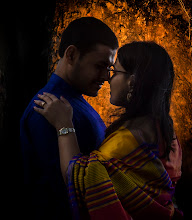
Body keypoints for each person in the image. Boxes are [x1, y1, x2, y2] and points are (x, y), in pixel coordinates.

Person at [34, 41, 183, 219]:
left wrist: (64, 125)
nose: (107, 78)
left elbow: (78, 179)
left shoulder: (125, 141)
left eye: (114, 72)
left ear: (132, 82)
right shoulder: (167, 131)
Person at [20, 17, 119, 219]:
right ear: (72, 55)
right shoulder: (46, 110)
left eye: (108, 68)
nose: (106, 76)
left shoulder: (72, 101)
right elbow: (63, 194)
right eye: (100, 66)